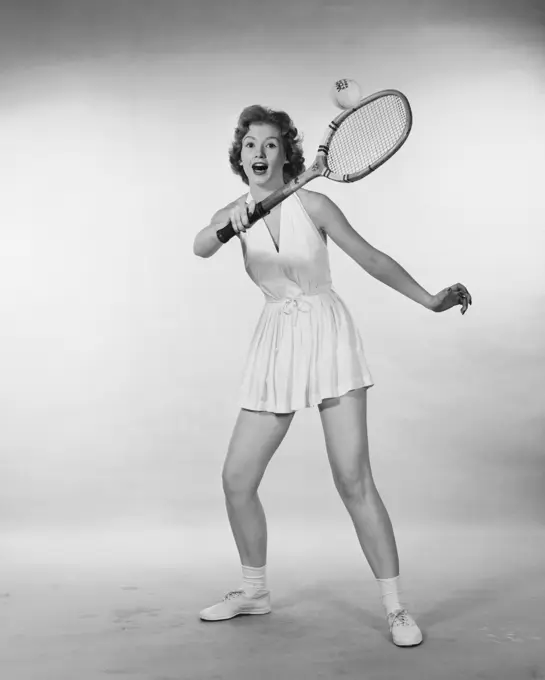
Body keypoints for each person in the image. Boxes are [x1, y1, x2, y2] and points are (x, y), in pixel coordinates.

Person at [192, 104, 472, 647]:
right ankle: (254, 591)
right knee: (236, 479)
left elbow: (371, 259)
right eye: (250, 145)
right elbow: (200, 244)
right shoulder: (233, 211)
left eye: (270, 145)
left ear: (286, 153)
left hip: (326, 332)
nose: (259, 154)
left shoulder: (314, 203)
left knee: (352, 478)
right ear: (239, 154)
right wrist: (231, 225)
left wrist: (430, 299)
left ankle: (395, 609)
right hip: (275, 338)